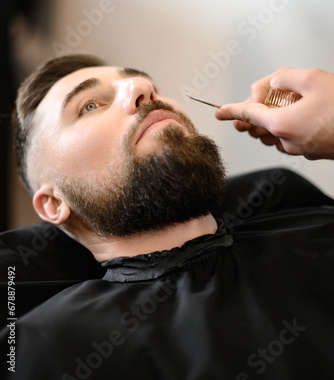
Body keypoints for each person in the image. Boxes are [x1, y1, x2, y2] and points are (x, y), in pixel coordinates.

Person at [1, 55, 334, 380]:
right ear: (54, 203)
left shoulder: (310, 220)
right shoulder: (59, 348)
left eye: (144, 81)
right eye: (90, 106)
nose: (143, 86)